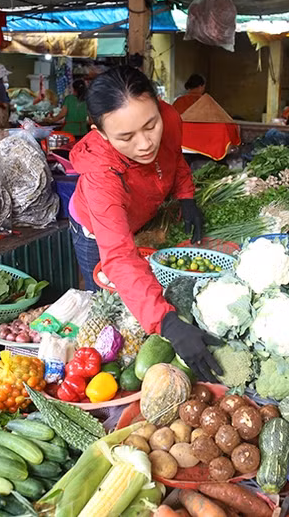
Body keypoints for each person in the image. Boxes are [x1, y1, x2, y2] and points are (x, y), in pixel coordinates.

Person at [68, 66, 222, 382]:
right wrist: (167, 323)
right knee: (111, 312)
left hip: (142, 217)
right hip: (97, 233)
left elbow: (174, 158)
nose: (144, 144)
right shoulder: (101, 178)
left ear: (158, 105)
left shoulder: (171, 118)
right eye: (126, 137)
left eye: (151, 125)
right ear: (98, 132)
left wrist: (186, 196)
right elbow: (119, 257)